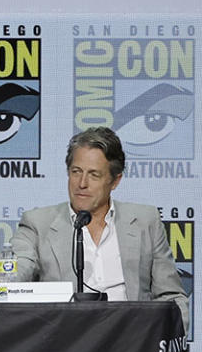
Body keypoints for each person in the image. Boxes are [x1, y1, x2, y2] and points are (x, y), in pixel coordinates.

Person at [12, 127, 189, 329]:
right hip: (62, 346)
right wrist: (5, 286)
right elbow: (18, 266)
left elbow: (171, 296)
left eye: (94, 175)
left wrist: (158, 339)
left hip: (132, 342)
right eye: (76, 172)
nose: (82, 183)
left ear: (115, 180)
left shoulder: (145, 221)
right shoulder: (37, 223)